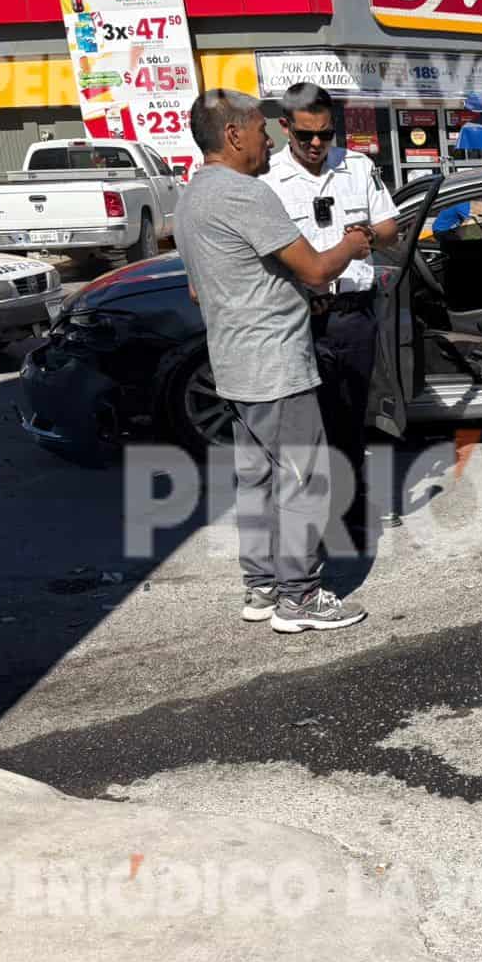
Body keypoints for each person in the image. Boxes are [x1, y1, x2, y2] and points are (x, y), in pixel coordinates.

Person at [174, 89, 371, 634]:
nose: (270, 141)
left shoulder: (190, 198)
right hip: (275, 362)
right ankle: (300, 598)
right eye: (262, 130)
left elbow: (200, 289)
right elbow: (314, 269)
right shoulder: (245, 194)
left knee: (257, 480)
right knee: (303, 480)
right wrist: (352, 244)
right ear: (234, 135)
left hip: (232, 361)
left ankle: (261, 587)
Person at [265, 83, 399, 555]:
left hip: (353, 316)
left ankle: (351, 513)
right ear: (285, 127)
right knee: (302, 428)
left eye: (325, 133)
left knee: (349, 422)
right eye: (306, 136)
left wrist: (360, 236)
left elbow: (389, 226)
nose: (317, 144)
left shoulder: (357, 167)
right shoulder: (266, 179)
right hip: (298, 320)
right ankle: (308, 520)